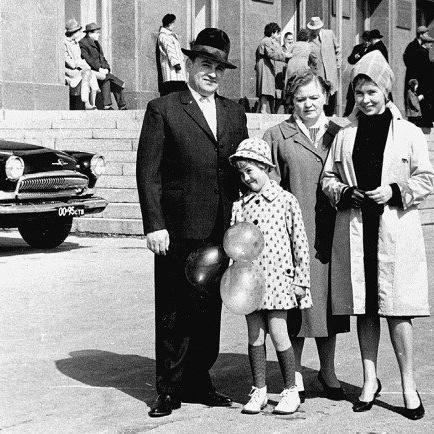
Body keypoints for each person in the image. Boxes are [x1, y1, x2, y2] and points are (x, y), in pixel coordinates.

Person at [136, 27, 249, 418]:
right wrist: (154, 225)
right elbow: (148, 172)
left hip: (220, 228)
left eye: (219, 67)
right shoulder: (164, 108)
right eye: (205, 64)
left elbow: (241, 169)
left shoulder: (234, 112)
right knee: (173, 309)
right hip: (177, 229)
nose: (212, 73)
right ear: (189, 65)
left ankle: (199, 381)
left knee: (208, 308)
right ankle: (168, 389)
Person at [321, 50, 434, 421]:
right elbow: (328, 178)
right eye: (359, 93)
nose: (366, 99)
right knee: (366, 309)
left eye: (372, 92)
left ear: (386, 91)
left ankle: (408, 385)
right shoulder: (344, 134)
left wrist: (395, 191)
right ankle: (370, 381)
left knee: (398, 311)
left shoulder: (409, 132)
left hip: (394, 229)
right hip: (357, 230)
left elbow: (426, 178)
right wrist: (344, 192)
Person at [264, 69, 350, 404]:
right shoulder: (277, 135)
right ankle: (295, 374)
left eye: (314, 97)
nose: (308, 104)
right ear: (291, 101)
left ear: (326, 96)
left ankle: (328, 371)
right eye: (300, 99)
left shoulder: (342, 133)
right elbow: (268, 187)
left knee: (329, 305)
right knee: (295, 305)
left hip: (333, 232)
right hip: (291, 236)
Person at [229, 137, 311, 415]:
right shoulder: (240, 205)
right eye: (241, 173)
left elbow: (299, 242)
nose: (246, 177)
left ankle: (291, 390)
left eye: (250, 170)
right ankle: (259, 390)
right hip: (249, 283)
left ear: (266, 167)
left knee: (278, 332)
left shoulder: (285, 200)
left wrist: (301, 279)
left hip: (278, 280)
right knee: (255, 335)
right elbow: (234, 243)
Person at [79, 22, 126, 110]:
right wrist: (99, 68)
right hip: (92, 70)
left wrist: (106, 68)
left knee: (110, 80)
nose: (99, 35)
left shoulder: (97, 43)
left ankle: (122, 106)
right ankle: (107, 105)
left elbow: (102, 58)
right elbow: (87, 59)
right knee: (107, 79)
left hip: (101, 70)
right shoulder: (83, 43)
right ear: (90, 33)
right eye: (97, 33)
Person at [307, 17, 341, 116]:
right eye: (312, 29)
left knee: (332, 90)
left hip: (331, 68)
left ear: (320, 28)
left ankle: (331, 113)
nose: (314, 31)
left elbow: (338, 48)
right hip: (319, 69)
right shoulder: (309, 39)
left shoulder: (329, 34)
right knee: (321, 90)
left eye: (315, 29)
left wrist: (338, 63)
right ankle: (322, 113)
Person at [255, 22, 291, 114]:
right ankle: (263, 109)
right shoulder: (267, 41)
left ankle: (262, 109)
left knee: (268, 87)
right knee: (265, 87)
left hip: (267, 64)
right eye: (277, 33)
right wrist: (285, 56)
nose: (278, 35)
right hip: (264, 64)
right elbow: (271, 54)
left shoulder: (268, 41)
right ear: (272, 32)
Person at [64, 19, 99, 110]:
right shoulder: (65, 42)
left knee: (90, 73)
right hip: (70, 71)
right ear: (73, 32)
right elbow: (66, 58)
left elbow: (79, 58)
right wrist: (77, 65)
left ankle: (93, 103)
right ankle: (86, 103)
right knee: (86, 75)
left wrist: (83, 65)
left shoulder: (76, 43)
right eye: (78, 31)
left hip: (79, 69)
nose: (79, 33)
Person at [156, 14, 188, 96]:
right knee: (173, 91)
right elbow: (169, 50)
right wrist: (176, 63)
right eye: (173, 23)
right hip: (172, 69)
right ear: (169, 23)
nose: (174, 25)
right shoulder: (164, 36)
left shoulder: (171, 35)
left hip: (177, 71)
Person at [403, 26, 430, 114]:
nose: (427, 36)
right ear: (421, 35)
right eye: (426, 34)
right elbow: (407, 60)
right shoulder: (412, 46)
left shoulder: (424, 46)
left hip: (421, 77)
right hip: (414, 77)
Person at [344, 31, 371, 116]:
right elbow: (350, 60)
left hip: (367, 75)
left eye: (368, 40)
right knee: (351, 95)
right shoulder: (357, 48)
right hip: (357, 74)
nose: (366, 42)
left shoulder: (373, 49)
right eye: (365, 40)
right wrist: (355, 57)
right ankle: (347, 113)